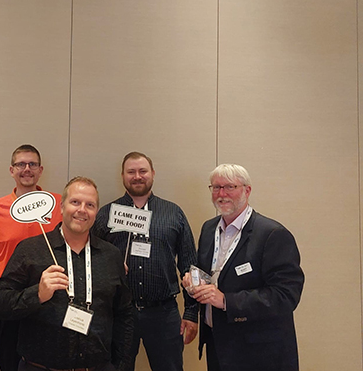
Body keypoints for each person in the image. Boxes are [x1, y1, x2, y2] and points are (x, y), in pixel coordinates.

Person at [0, 177, 134, 371]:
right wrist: (37, 294)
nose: (82, 210)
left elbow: (125, 314)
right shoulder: (30, 250)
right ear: (61, 207)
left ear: (96, 212)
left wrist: (122, 365)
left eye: (90, 205)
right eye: (75, 202)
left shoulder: (111, 255)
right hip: (39, 366)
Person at [182, 164, 304, 371]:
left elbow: (286, 295)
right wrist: (195, 281)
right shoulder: (209, 228)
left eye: (230, 187)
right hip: (218, 344)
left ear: (247, 190)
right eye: (216, 187)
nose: (222, 194)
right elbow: (212, 274)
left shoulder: (272, 234)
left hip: (259, 351)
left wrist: (225, 301)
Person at [91, 151, 198, 371]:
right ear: (122, 175)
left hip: (163, 313)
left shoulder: (173, 213)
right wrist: (108, 266)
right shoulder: (107, 214)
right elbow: (87, 256)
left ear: (153, 174)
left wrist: (191, 312)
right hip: (119, 312)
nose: (137, 176)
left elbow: (189, 265)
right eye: (131, 172)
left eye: (142, 171)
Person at [0, 144, 62, 371]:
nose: (27, 169)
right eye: (20, 164)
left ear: (40, 170)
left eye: (32, 164)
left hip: (49, 306)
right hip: (7, 307)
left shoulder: (59, 205)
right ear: (11, 170)